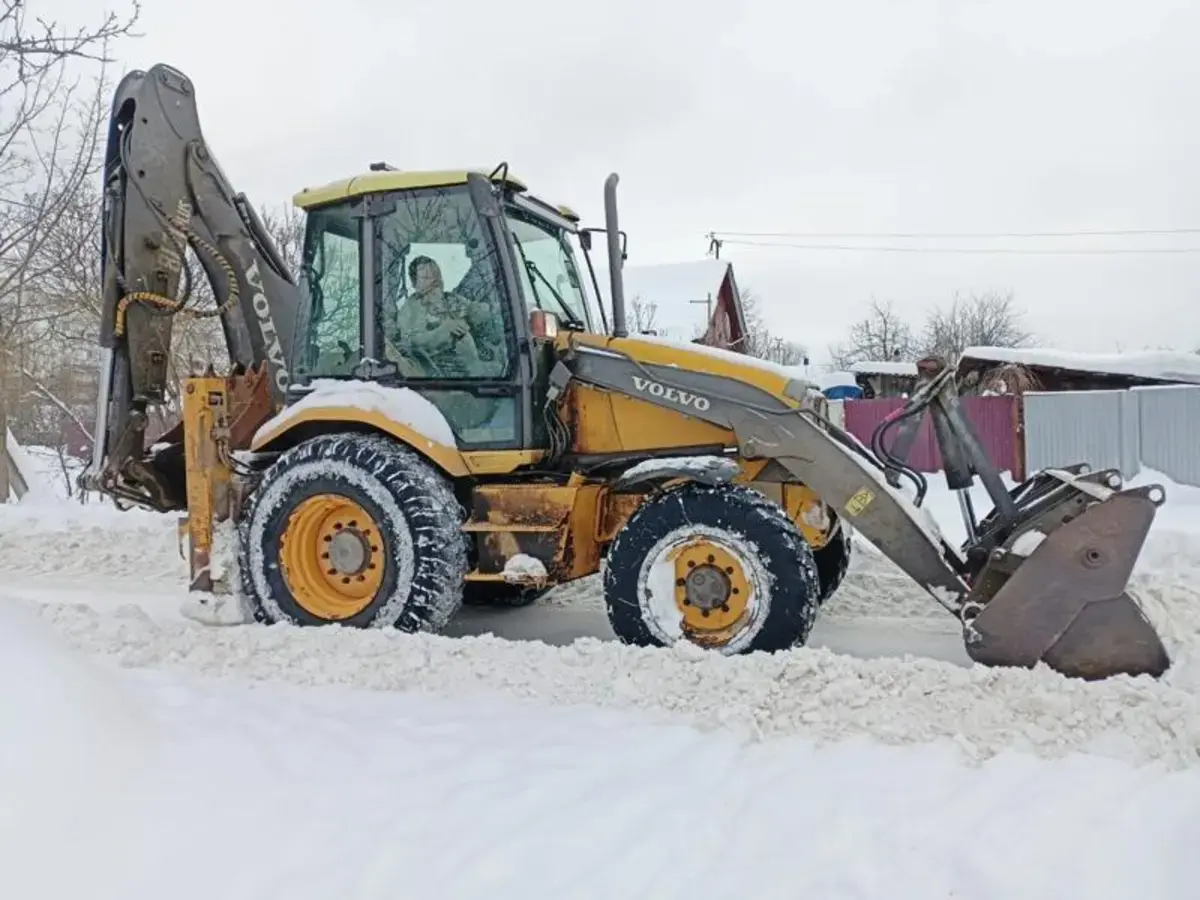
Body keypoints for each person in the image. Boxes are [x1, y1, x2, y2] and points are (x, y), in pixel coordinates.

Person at [391, 255, 503, 379]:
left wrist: (484, 310)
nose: (435, 281)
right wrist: (444, 331)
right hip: (438, 377)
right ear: (414, 283)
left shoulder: (451, 299)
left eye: (436, 275)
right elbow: (410, 344)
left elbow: (478, 312)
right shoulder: (410, 310)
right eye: (427, 277)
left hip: (470, 369)